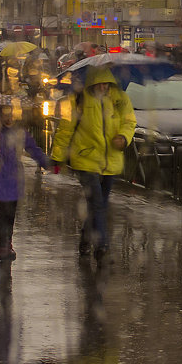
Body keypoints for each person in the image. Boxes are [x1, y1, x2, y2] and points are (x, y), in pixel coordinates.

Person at [50, 67, 136, 262]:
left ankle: (85, 239)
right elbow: (65, 129)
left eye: (106, 83)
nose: (103, 87)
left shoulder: (120, 98)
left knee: (99, 204)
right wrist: (57, 157)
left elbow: (129, 121)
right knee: (97, 203)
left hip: (111, 160)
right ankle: (102, 246)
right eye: (99, 84)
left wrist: (124, 137)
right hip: (85, 159)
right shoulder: (78, 99)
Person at [0, 100, 52, 261]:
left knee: (10, 214)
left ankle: (7, 242)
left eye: (10, 114)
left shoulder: (20, 133)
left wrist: (47, 163)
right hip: (0, 177)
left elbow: (34, 149)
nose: (8, 118)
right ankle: (3, 245)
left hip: (14, 179)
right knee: (3, 214)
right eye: (5, 114)